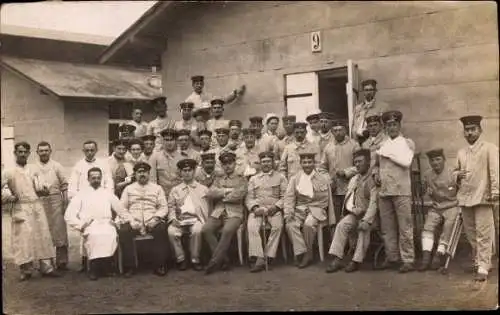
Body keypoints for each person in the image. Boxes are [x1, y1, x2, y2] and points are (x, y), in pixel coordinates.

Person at [1, 142, 60, 281]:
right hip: (20, 207)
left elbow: (42, 186)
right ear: (15, 153)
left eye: (25, 152)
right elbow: (3, 188)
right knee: (23, 239)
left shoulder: (34, 169)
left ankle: (46, 267)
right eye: (19, 152)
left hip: (36, 206)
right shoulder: (8, 171)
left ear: (29, 153)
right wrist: (8, 195)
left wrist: (44, 190)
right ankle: (26, 270)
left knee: (42, 235)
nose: (22, 154)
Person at [453, 115, 498, 284]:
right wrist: (457, 175)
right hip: (465, 197)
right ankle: (480, 260)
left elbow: (494, 171)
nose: (470, 133)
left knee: (483, 232)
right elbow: (454, 172)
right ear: (464, 132)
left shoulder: (489, 148)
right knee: (471, 232)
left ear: (480, 130)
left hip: (483, 195)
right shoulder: (461, 152)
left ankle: (484, 266)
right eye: (467, 130)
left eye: (473, 129)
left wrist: (495, 191)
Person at [65, 167, 129, 281]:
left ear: (101, 179)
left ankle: (107, 267)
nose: (96, 180)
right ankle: (94, 268)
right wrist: (81, 225)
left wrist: (117, 222)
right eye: (93, 178)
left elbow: (122, 211)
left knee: (109, 234)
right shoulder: (81, 194)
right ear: (88, 179)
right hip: (91, 224)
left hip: (106, 223)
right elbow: (69, 215)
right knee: (94, 235)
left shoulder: (107, 193)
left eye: (98, 178)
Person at [372, 110, 416, 273]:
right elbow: (376, 164)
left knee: (405, 227)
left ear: (399, 125)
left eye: (394, 124)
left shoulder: (407, 142)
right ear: (385, 127)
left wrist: (388, 154)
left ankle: (408, 259)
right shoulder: (382, 144)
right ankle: (392, 257)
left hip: (401, 190)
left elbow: (406, 162)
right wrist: (375, 172)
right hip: (385, 191)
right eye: (388, 125)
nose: (392, 128)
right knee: (387, 227)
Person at [326, 149, 378, 273]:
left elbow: (374, 203)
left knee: (362, 229)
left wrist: (366, 220)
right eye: (355, 162)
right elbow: (349, 198)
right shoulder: (354, 179)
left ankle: (356, 260)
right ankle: (337, 259)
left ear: (368, 162)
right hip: (356, 214)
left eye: (360, 161)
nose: (358, 164)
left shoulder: (373, 179)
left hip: (373, 217)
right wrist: (348, 212)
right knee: (341, 225)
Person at [68, 140, 114, 271]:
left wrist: (106, 198)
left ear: (96, 150)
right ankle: (86, 262)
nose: (89, 153)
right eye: (86, 150)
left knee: (104, 231)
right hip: (84, 202)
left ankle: (105, 263)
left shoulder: (103, 165)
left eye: (92, 150)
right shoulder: (78, 166)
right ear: (83, 151)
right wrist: (77, 200)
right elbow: (72, 186)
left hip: (100, 200)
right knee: (87, 232)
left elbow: (109, 182)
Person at [284, 152, 335, 269]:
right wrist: (289, 212)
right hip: (300, 209)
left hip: (317, 209)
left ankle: (307, 254)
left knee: (308, 224)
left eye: (310, 162)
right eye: (304, 162)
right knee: (290, 224)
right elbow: (289, 198)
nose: (307, 165)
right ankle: (302, 251)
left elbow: (325, 199)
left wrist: (311, 209)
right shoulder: (295, 179)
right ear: (301, 163)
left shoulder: (322, 178)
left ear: (314, 163)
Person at [119, 162, 170, 277]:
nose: (142, 174)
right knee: (124, 231)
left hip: (151, 218)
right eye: (139, 172)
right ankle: (129, 266)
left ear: (149, 174)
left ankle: (159, 265)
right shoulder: (128, 189)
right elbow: (122, 208)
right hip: (134, 219)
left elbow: (163, 207)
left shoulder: (157, 188)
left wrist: (156, 218)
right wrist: (131, 221)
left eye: (145, 172)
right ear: (135, 174)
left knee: (161, 229)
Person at [203, 151, 248, 275]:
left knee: (227, 230)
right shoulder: (218, 178)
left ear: (235, 164)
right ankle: (224, 259)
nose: (227, 166)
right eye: (225, 164)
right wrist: (227, 191)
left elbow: (239, 196)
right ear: (222, 166)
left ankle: (214, 261)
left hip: (235, 213)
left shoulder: (241, 178)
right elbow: (210, 193)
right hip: (219, 212)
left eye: (230, 163)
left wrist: (221, 195)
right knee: (206, 229)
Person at [418, 149, 460, 273]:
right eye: (432, 160)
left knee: (448, 226)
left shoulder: (453, 173)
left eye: (438, 159)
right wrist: (423, 189)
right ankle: (426, 259)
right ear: (430, 162)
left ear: (444, 160)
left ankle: (439, 254)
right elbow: (422, 192)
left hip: (452, 205)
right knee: (428, 227)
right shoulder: (427, 175)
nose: (435, 163)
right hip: (436, 206)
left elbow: (462, 190)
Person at [246, 151, 288, 272]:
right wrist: (254, 208)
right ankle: (258, 257)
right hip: (258, 209)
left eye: (269, 161)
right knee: (252, 226)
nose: (266, 164)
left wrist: (276, 207)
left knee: (277, 226)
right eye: (264, 162)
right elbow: (249, 197)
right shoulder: (253, 179)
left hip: (274, 209)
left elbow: (285, 196)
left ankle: (268, 255)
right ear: (260, 163)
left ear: (273, 162)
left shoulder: (280, 177)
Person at [167, 158, 210, 271]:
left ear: (194, 171)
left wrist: (203, 219)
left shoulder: (203, 189)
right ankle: (181, 259)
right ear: (180, 172)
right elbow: (170, 207)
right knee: (171, 231)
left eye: (189, 170)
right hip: (180, 219)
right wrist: (172, 219)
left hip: (196, 219)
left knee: (197, 230)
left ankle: (195, 259)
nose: (187, 173)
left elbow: (207, 207)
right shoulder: (175, 190)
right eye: (184, 170)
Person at [32, 141, 69, 271]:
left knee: (59, 231)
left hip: (56, 200)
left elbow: (64, 186)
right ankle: (45, 264)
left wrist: (65, 203)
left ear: (50, 151)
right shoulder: (33, 168)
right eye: (41, 151)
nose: (44, 153)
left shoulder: (57, 166)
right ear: (37, 152)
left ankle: (62, 261)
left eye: (46, 150)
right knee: (43, 231)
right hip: (40, 201)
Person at [320, 118, 359, 222]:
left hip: (351, 187)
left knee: (350, 217)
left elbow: (360, 166)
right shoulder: (328, 147)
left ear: (345, 130)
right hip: (334, 189)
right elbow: (322, 168)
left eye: (340, 130)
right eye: (335, 130)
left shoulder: (354, 145)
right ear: (332, 131)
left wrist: (346, 172)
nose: (338, 133)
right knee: (335, 219)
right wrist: (328, 181)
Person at [351, 79, 389, 146]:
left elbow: (386, 127)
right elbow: (354, 126)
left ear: (375, 91)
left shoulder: (383, 107)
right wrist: (355, 141)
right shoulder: (358, 108)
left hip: (374, 141)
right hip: (357, 141)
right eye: (366, 90)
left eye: (371, 90)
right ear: (363, 92)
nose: (368, 92)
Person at [149, 128, 183, 197]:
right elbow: (152, 181)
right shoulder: (155, 157)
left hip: (179, 196)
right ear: (162, 141)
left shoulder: (182, 158)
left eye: (171, 140)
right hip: (161, 196)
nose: (169, 143)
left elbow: (185, 181)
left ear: (176, 141)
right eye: (166, 140)